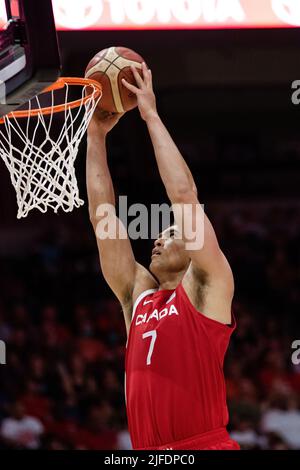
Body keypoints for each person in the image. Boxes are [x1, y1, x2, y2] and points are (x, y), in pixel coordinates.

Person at [86, 63, 239, 450]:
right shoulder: (137, 296)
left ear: (192, 249)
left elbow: (185, 197)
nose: (157, 237)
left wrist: (149, 114)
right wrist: (95, 137)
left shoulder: (207, 284)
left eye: (170, 232)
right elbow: (102, 216)